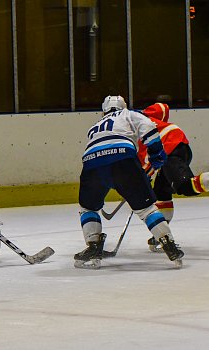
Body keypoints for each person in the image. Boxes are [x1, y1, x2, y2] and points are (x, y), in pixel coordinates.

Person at [74, 95, 184, 269]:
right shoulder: (129, 114)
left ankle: (93, 246)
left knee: (88, 207)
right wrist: (156, 155)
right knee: (146, 209)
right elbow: (149, 129)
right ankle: (169, 244)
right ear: (123, 106)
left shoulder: (94, 126)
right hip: (123, 160)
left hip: (92, 164)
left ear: (104, 110)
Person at [138, 103, 209, 251]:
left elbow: (145, 158)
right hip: (177, 147)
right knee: (161, 192)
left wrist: (139, 178)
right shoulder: (151, 121)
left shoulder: (138, 125)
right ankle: (160, 236)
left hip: (170, 148)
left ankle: (161, 235)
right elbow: (162, 107)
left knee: (186, 186)